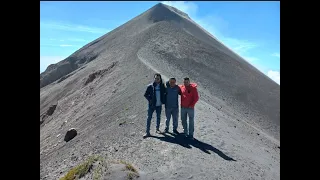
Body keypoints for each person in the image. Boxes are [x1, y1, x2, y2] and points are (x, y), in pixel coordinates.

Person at [143, 73, 166, 137]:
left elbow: (165, 93)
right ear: (154, 78)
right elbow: (145, 94)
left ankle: (157, 129)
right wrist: (150, 100)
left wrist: (163, 100)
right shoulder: (150, 86)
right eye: (155, 78)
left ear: (160, 79)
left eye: (158, 78)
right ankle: (147, 132)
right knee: (149, 118)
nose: (156, 79)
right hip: (151, 105)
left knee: (158, 117)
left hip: (159, 105)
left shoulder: (162, 86)